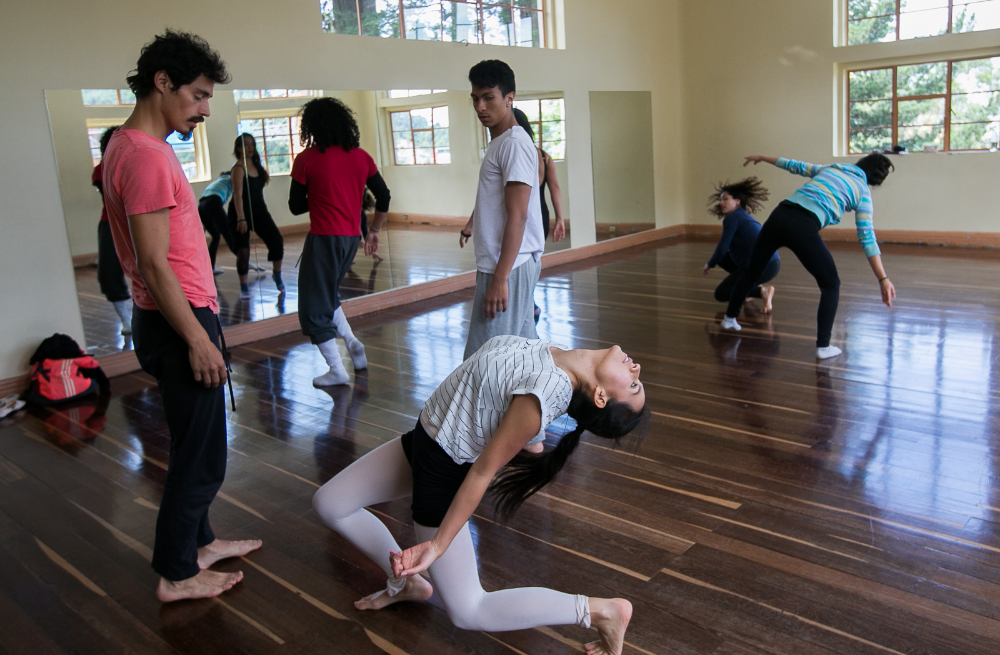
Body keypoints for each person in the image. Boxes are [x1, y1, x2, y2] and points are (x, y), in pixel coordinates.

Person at [312, 335, 648, 655]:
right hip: (424, 442)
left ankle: (601, 612)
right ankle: (407, 584)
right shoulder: (556, 351)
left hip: (444, 473)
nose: (637, 370)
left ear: (601, 397)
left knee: (469, 610)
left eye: (633, 385)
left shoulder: (546, 390)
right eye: (636, 380)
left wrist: (437, 544)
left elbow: (483, 471)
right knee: (331, 504)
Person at [101, 29, 261, 602]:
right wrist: (197, 338)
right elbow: (152, 262)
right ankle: (176, 571)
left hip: (171, 315)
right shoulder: (144, 156)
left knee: (197, 441)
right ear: (161, 83)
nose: (204, 109)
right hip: (178, 318)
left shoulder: (126, 145)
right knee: (202, 456)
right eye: (197, 95)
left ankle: (200, 541)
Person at [721, 154, 896, 359]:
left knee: (752, 271)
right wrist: (883, 278)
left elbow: (795, 166)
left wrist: (763, 157)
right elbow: (866, 236)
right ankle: (823, 346)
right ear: (876, 180)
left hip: (780, 215)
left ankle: (729, 318)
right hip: (803, 226)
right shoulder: (863, 192)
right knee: (831, 284)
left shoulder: (832, 169)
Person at [288, 97, 391, 387]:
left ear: (312, 127)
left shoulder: (307, 159)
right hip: (350, 240)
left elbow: (295, 206)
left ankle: (336, 369)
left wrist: (322, 194)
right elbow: (384, 197)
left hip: (322, 239)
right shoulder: (361, 156)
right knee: (328, 296)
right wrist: (374, 231)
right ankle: (351, 341)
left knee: (312, 307)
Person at [458, 60, 544, 361]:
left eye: (489, 97)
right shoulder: (501, 143)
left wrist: (499, 278)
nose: (480, 106)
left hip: (508, 265)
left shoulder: (514, 144)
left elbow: (518, 215)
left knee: (483, 362)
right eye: (475, 99)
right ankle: (552, 404)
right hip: (513, 264)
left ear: (510, 99)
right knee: (527, 356)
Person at [703, 177, 779, 313]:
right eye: (720, 199)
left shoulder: (733, 218)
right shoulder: (741, 215)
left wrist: (710, 264)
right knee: (724, 259)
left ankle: (762, 291)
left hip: (765, 266)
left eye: (725, 199)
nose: (721, 202)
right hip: (771, 263)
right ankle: (750, 288)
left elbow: (722, 248)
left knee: (720, 293)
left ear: (737, 201)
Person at [229, 133, 284, 299]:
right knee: (243, 251)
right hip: (240, 212)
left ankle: (277, 274)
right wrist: (241, 217)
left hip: (259, 210)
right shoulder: (238, 168)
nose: (250, 147)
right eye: (246, 145)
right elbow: (237, 195)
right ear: (239, 148)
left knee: (276, 241)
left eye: (252, 144)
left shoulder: (257, 166)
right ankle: (244, 286)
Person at [91, 126, 132, 334]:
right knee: (109, 274)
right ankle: (126, 319)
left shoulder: (137, 163)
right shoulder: (101, 169)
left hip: (139, 220)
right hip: (111, 222)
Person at [197, 171, 233, 275]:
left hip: (202, 205)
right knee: (227, 232)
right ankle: (243, 260)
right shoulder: (229, 179)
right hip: (213, 202)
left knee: (216, 236)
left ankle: (210, 268)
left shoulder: (218, 181)